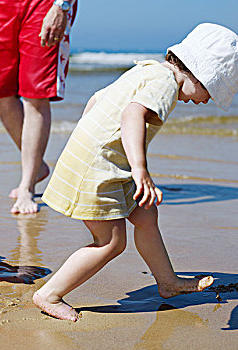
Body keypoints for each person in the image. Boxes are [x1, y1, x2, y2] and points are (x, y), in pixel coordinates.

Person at [33, 23, 238, 321]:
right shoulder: (166, 84)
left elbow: (96, 99)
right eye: (210, 90)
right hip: (98, 167)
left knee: (145, 214)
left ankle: (168, 282)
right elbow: (132, 114)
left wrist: (91, 140)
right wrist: (140, 171)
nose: (205, 101)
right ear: (196, 73)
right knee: (111, 242)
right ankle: (49, 294)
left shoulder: (149, 70)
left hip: (104, 161)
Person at [0, 0, 78, 214]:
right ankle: (37, 167)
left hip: (46, 4)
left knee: (36, 94)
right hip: (2, 5)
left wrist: (61, 6)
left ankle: (27, 186)